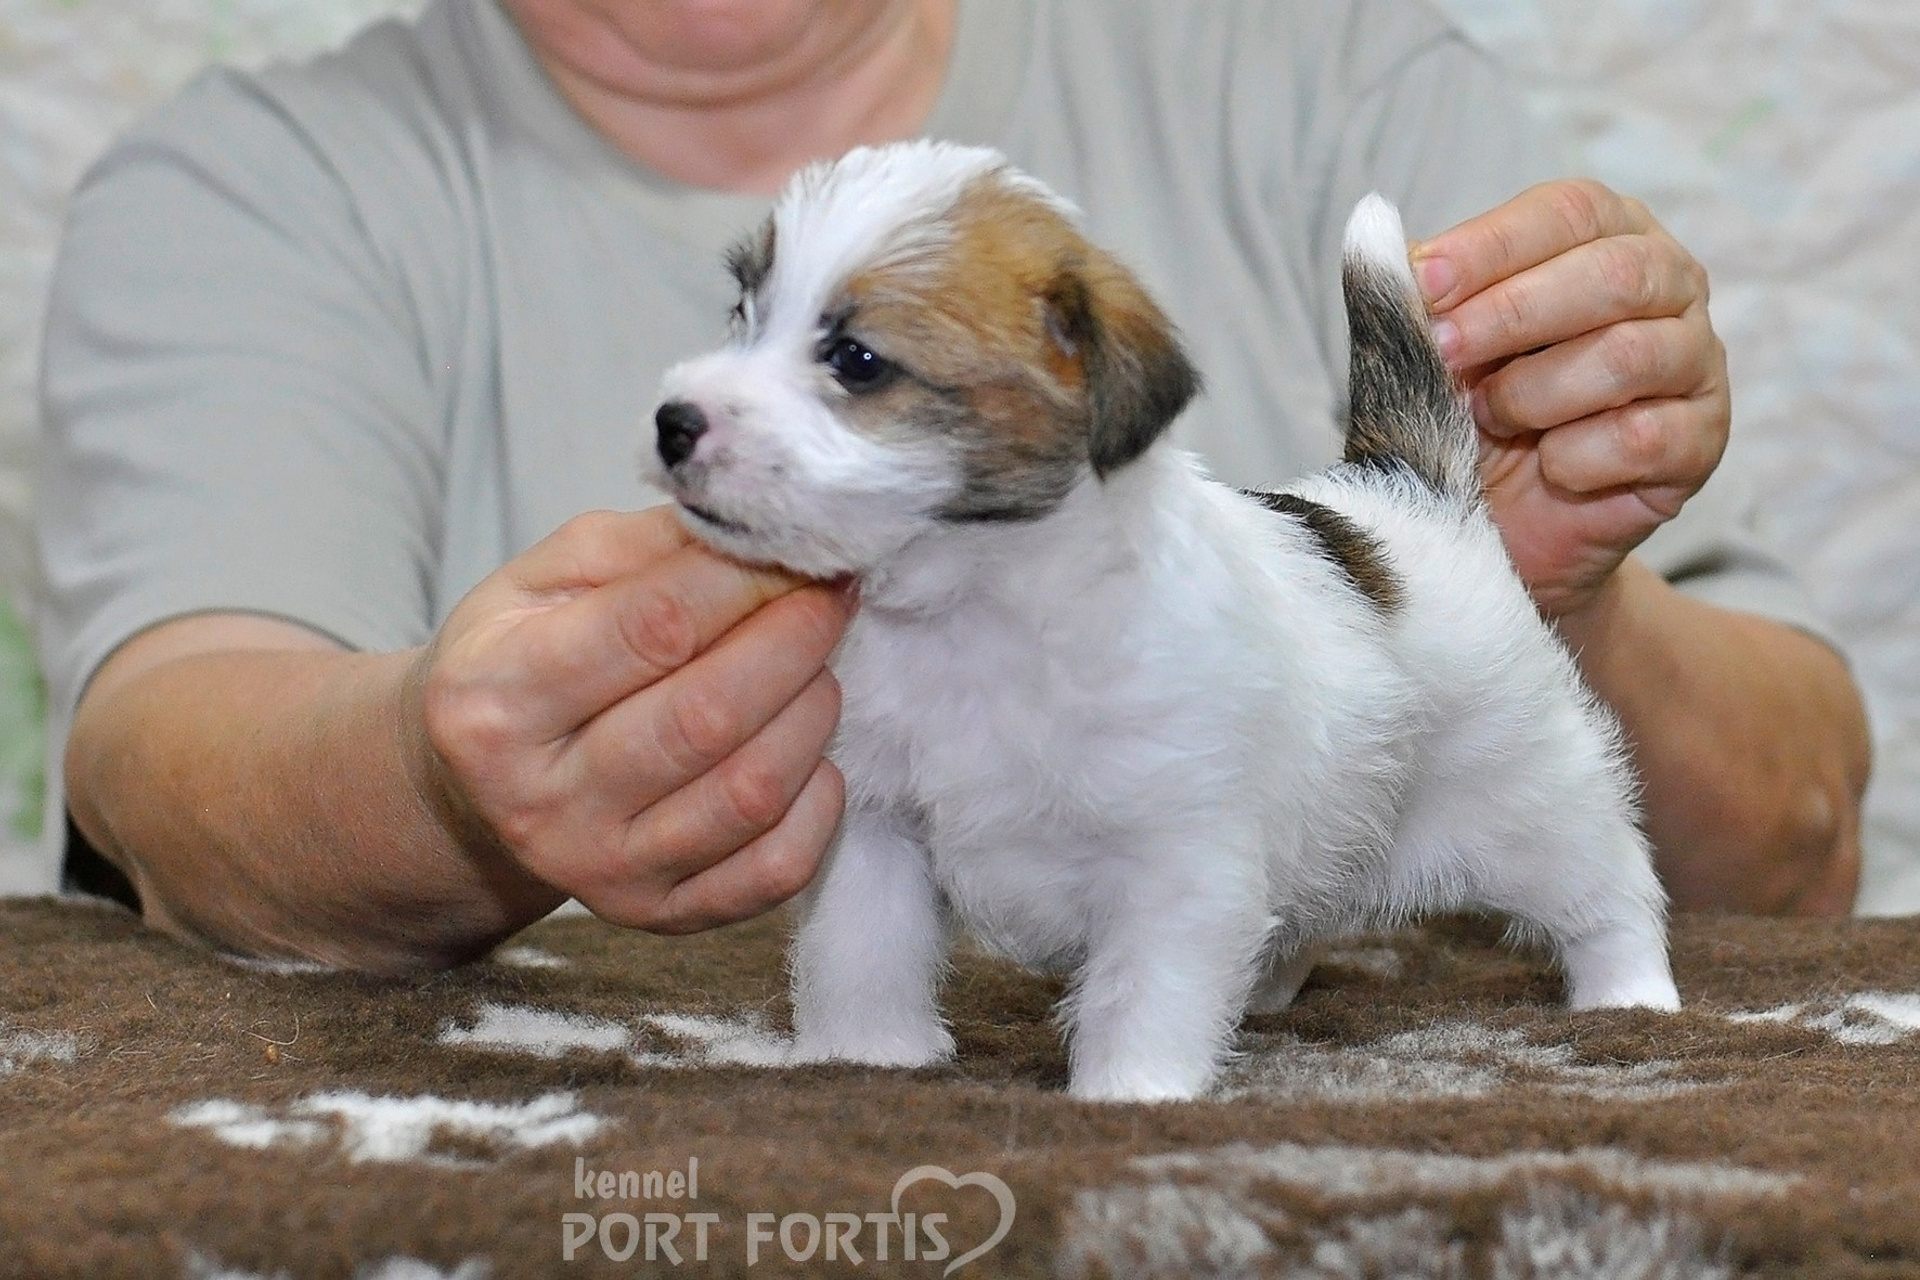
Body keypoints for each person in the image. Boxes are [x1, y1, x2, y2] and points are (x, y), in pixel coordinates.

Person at [36, 0, 1869, 973]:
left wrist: (1545, 597)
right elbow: (162, 775)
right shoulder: (254, 187)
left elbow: (1796, 832)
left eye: (849, 360)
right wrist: (443, 785)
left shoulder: (1327, 66)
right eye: (759, 319)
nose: (718, 405)